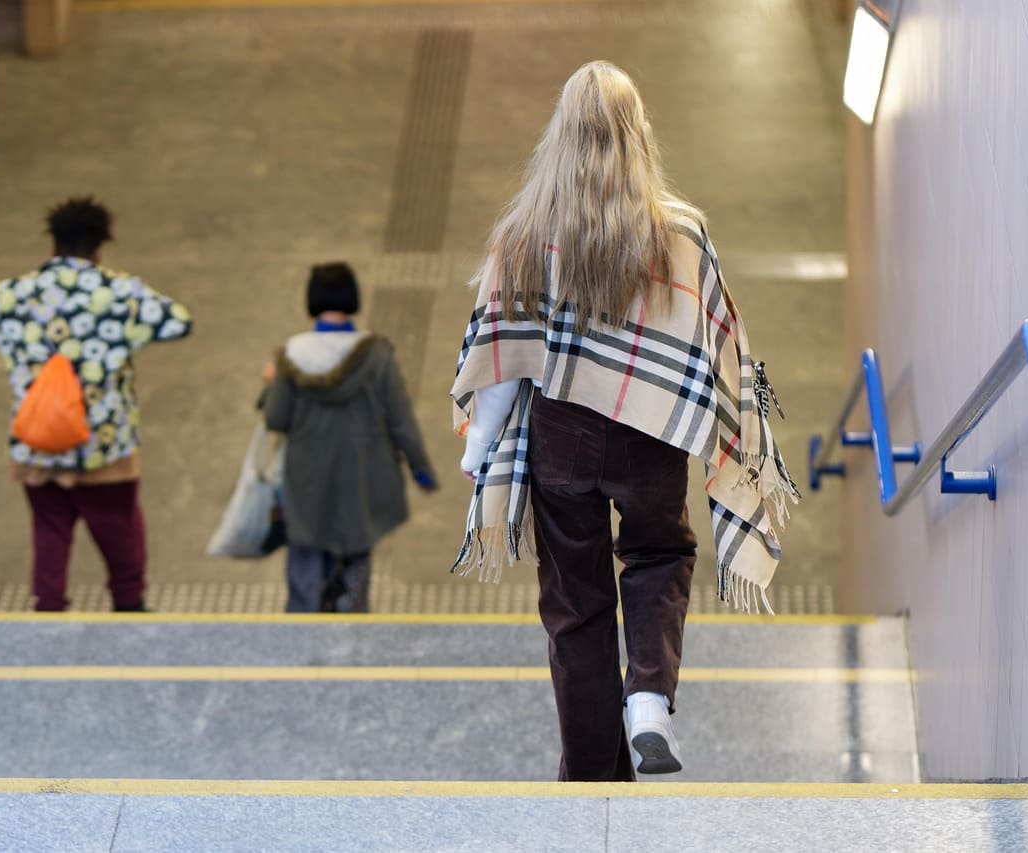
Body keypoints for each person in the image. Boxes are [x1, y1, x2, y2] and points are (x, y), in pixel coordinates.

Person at [450, 62, 799, 782]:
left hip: (563, 437)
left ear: (560, 137)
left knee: (574, 605)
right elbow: (724, 344)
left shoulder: (521, 236)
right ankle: (647, 698)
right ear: (639, 135)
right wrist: (737, 436)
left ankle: (589, 773)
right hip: (652, 434)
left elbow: (497, 355)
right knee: (659, 555)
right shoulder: (683, 234)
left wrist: (477, 451)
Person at [0, 196, 193, 611]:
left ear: (53, 243)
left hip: (40, 444)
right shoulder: (120, 292)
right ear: (100, 246)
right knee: (120, 532)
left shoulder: (17, 292)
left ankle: (49, 613)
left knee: (49, 533)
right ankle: (129, 608)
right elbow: (177, 320)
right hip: (104, 447)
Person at [264, 262, 438, 612]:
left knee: (306, 555)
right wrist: (421, 470)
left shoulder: (291, 355)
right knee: (357, 551)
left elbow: (277, 418)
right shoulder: (376, 354)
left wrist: (271, 386)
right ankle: (349, 617)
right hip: (362, 478)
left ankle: (304, 623)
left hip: (307, 480)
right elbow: (401, 420)